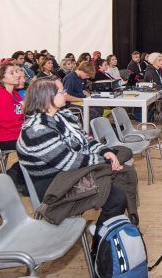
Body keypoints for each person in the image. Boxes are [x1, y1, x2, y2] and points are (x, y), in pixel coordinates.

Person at [16, 78, 135, 227]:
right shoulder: (36, 129)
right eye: (62, 92)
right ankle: (103, 236)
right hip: (55, 186)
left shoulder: (62, 116)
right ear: (47, 97)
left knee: (122, 170)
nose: (65, 94)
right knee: (117, 196)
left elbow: (85, 140)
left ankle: (111, 231)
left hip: (71, 174)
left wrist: (105, 152)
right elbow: (69, 161)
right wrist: (105, 160)